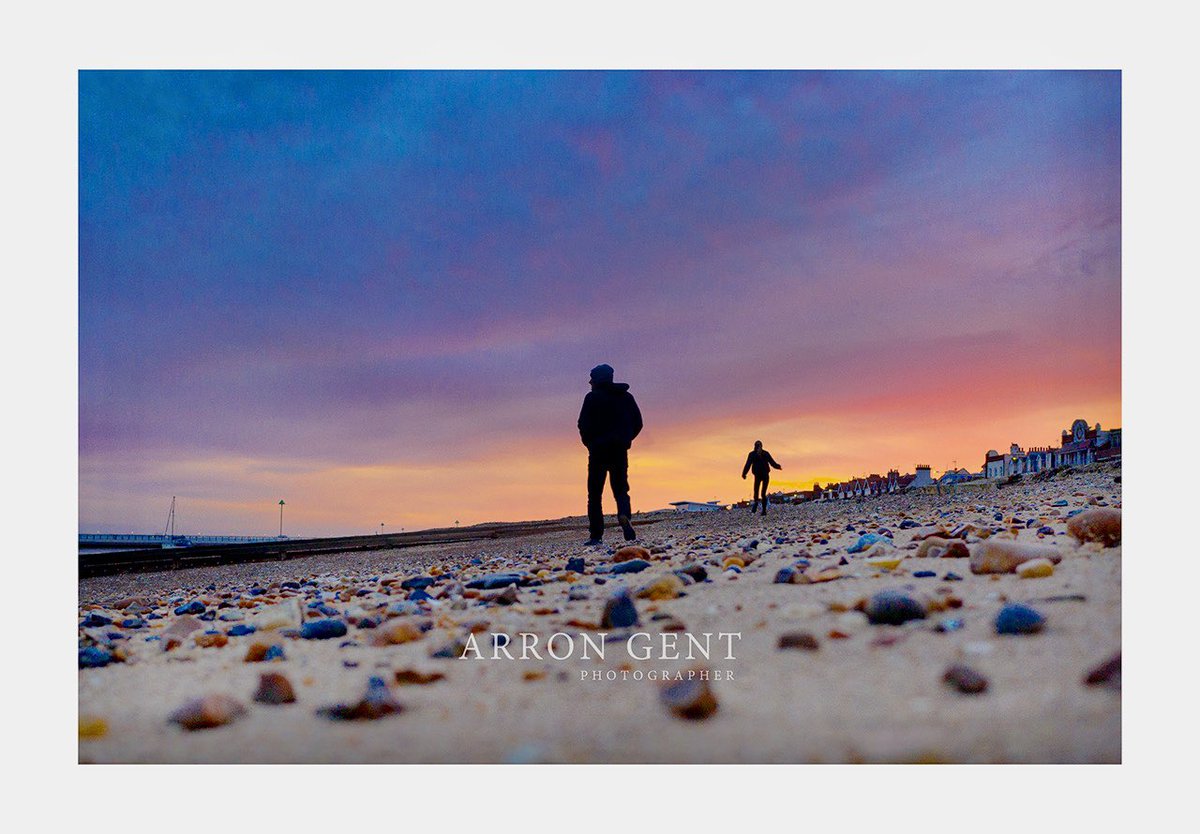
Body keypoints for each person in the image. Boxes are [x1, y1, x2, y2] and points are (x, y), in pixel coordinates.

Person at [577, 363, 643, 545]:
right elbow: (638, 422)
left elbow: (582, 424)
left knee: (595, 494)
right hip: (619, 451)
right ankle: (624, 515)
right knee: (621, 490)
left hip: (597, 452)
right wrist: (625, 439)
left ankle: (596, 535)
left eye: (592, 378)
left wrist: (590, 443)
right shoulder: (626, 397)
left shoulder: (592, 398)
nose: (590, 382)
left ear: (598, 379)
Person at [742, 440, 782, 515]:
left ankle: (763, 511)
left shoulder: (765, 453)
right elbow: (748, 464)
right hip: (758, 476)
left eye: (760, 446)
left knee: (763, 493)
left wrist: (778, 466)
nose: (759, 448)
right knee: (756, 492)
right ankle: (756, 503)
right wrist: (744, 473)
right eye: (758, 446)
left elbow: (772, 462)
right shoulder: (752, 454)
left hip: (765, 475)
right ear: (755, 447)